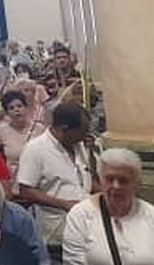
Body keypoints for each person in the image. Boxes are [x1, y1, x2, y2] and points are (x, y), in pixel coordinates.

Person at [15, 101, 96, 247]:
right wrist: (64, 204)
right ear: (65, 130)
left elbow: (90, 178)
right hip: (56, 231)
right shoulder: (36, 149)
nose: (86, 135)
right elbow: (25, 190)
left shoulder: (80, 145)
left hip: (86, 228)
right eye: (82, 131)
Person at [0, 87, 45, 171]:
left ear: (26, 108)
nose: (16, 110)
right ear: (7, 113)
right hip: (13, 174)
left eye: (19, 106)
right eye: (11, 108)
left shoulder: (40, 129)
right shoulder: (0, 131)